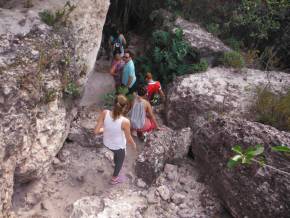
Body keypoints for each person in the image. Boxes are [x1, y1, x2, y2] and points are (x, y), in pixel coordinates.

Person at [94, 95, 137, 185]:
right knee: (120, 161)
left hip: (107, 142)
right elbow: (128, 138)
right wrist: (134, 145)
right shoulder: (125, 121)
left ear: (113, 104)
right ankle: (114, 179)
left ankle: (115, 163)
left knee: (116, 155)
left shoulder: (105, 113)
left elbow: (96, 131)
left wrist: (105, 129)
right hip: (119, 146)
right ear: (125, 107)